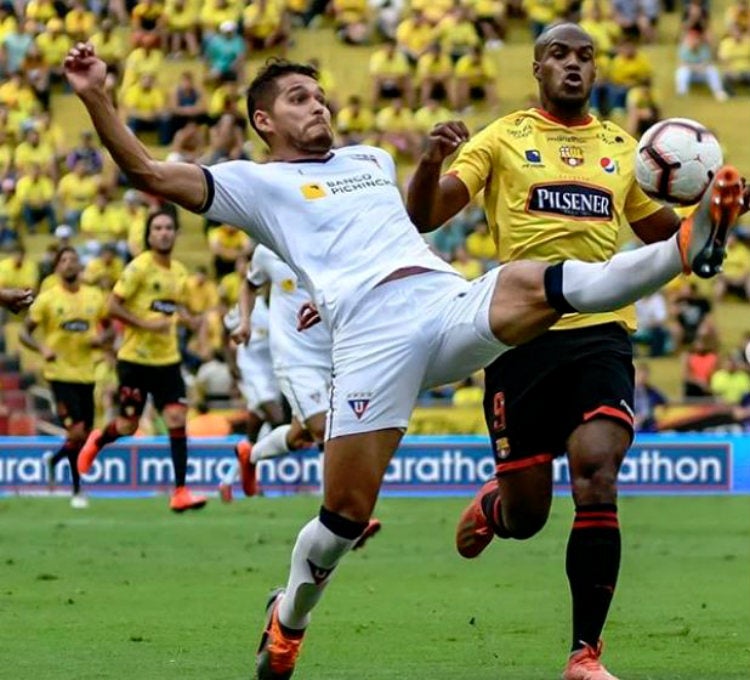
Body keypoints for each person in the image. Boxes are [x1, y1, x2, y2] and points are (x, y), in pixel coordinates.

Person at [65, 44, 745, 679]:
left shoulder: (370, 160)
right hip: (368, 342)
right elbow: (146, 172)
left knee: (527, 279)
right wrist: (98, 97)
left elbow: (403, 228)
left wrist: (426, 164)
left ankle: (689, 247)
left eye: (320, 95)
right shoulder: (252, 184)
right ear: (264, 120)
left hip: (440, 303)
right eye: (300, 99)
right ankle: (289, 616)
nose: (319, 106)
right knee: (345, 518)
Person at [406, 22, 747, 680]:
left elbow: (669, 243)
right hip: (517, 332)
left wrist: (716, 222)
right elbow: (426, 216)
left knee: (597, 472)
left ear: (598, 71)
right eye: (559, 55)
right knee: (530, 515)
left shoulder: (626, 151)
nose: (573, 65)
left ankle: (584, 654)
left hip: (600, 334)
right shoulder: (503, 138)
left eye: (585, 57)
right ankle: (497, 508)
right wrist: (428, 162)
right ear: (536, 67)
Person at [76, 210, 208, 513]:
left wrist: (191, 321)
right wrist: (148, 325)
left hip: (168, 360)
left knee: (176, 418)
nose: (163, 233)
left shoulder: (179, 272)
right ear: (149, 235)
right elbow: (111, 306)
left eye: (168, 228)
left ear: (176, 233)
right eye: (158, 228)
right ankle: (98, 440)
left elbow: (171, 309)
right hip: (134, 361)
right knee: (127, 425)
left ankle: (180, 490)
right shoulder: (139, 268)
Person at [20, 247, 112, 508]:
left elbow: (110, 330)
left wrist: (101, 340)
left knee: (82, 436)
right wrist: (42, 348)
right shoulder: (48, 299)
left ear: (80, 266)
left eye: (74, 259)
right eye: (64, 260)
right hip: (59, 374)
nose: (69, 264)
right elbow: (24, 334)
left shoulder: (94, 297)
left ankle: (55, 460)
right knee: (77, 431)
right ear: (57, 267)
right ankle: (77, 489)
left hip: (87, 373)